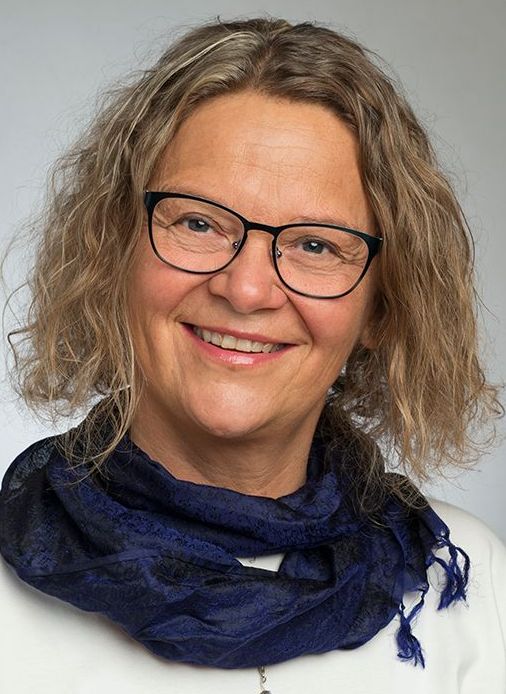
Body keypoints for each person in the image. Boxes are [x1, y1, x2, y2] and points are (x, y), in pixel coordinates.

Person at [0, 16, 504, 694]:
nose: (245, 289)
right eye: (199, 222)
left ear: (383, 306)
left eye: (316, 244)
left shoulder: (473, 589)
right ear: (113, 250)